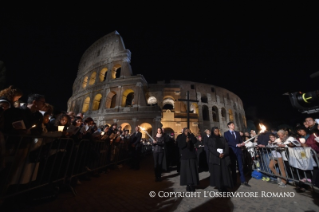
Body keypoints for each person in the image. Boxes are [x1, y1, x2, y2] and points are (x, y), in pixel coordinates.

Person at [224, 122, 250, 187]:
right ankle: (234, 181)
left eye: (233, 124)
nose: (233, 126)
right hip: (232, 151)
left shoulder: (237, 133)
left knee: (240, 166)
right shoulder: (226, 133)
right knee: (233, 167)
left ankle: (243, 181)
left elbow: (240, 140)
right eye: (232, 125)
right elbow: (227, 142)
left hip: (238, 151)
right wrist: (236, 145)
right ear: (228, 126)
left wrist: (242, 143)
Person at [208, 127, 233, 192]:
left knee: (224, 172)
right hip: (216, 158)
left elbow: (226, 147)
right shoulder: (210, 139)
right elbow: (211, 148)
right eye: (215, 131)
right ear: (213, 132)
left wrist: (224, 154)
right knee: (218, 173)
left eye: (218, 131)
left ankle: (225, 185)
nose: (217, 132)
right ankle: (219, 186)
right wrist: (218, 154)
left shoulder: (222, 139)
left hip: (223, 158)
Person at [177, 128, 199, 192]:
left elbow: (195, 141)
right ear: (183, 132)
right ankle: (187, 185)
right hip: (184, 156)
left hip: (191, 155)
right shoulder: (180, 137)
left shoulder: (191, 136)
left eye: (188, 131)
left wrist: (191, 134)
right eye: (186, 131)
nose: (187, 132)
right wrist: (185, 142)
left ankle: (192, 184)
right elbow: (180, 145)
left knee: (192, 170)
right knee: (186, 171)